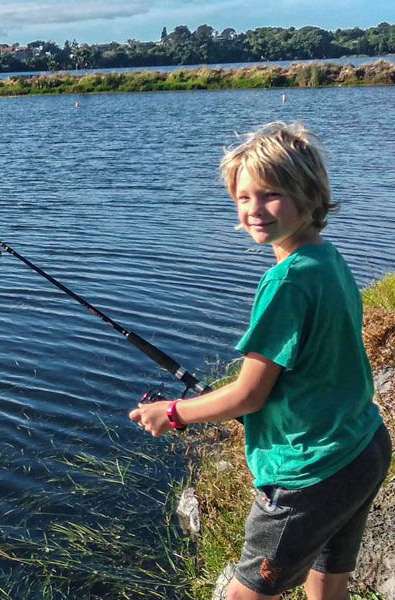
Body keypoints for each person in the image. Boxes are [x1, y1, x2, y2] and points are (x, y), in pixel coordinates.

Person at [129, 121, 391, 600]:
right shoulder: (325, 259)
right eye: (243, 196)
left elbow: (248, 395)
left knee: (245, 594)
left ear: (310, 195)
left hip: (310, 470)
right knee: (329, 579)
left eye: (270, 195)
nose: (253, 209)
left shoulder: (286, 283)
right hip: (362, 445)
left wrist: (172, 412)